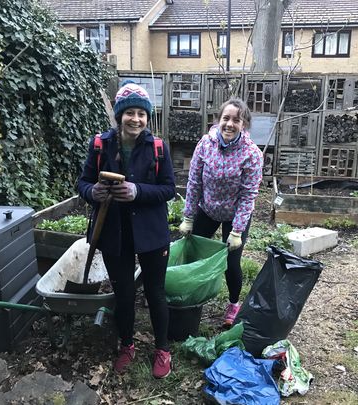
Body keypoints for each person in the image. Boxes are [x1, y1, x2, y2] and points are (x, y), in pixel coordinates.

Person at [78, 80, 175, 378]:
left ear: (148, 117)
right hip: (113, 232)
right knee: (122, 293)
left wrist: (138, 192)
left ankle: (162, 349)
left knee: (156, 292)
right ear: (119, 115)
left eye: (141, 113)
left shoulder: (157, 148)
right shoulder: (100, 145)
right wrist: (91, 192)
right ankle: (127, 344)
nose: (135, 119)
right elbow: (83, 182)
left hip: (151, 232)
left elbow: (169, 188)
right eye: (129, 112)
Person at [179, 97, 263, 327]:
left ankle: (234, 304)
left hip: (235, 214)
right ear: (218, 120)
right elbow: (194, 182)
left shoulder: (252, 154)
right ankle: (192, 294)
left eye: (236, 120)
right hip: (206, 209)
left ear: (243, 124)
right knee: (194, 252)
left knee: (232, 262)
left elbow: (248, 195)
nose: (230, 124)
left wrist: (237, 231)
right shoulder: (205, 144)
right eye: (226, 118)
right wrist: (188, 217)